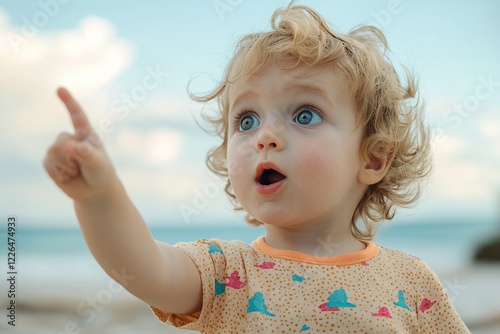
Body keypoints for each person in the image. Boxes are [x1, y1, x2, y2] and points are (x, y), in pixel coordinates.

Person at [43, 3, 470, 333]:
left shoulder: (409, 281)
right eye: (246, 120)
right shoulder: (225, 272)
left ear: (372, 158)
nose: (265, 135)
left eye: (305, 115)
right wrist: (99, 198)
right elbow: (142, 267)